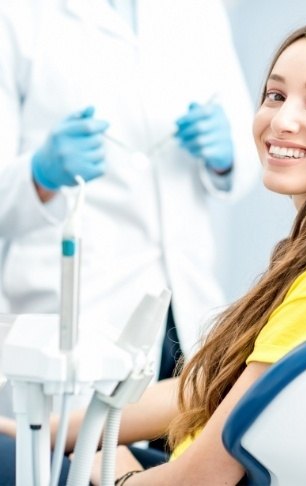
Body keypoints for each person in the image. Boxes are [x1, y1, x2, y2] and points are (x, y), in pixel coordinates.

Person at [0, 21, 306, 485]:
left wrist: (120, 476)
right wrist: (44, 432)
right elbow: (211, 385)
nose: (280, 120)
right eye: (274, 96)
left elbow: (202, 479)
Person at [0, 0, 258, 388]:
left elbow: (249, 145)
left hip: (186, 307)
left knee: (182, 437)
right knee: (77, 446)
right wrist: (40, 173)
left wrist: (227, 154)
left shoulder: (201, 10)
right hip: (77, 311)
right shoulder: (17, 14)